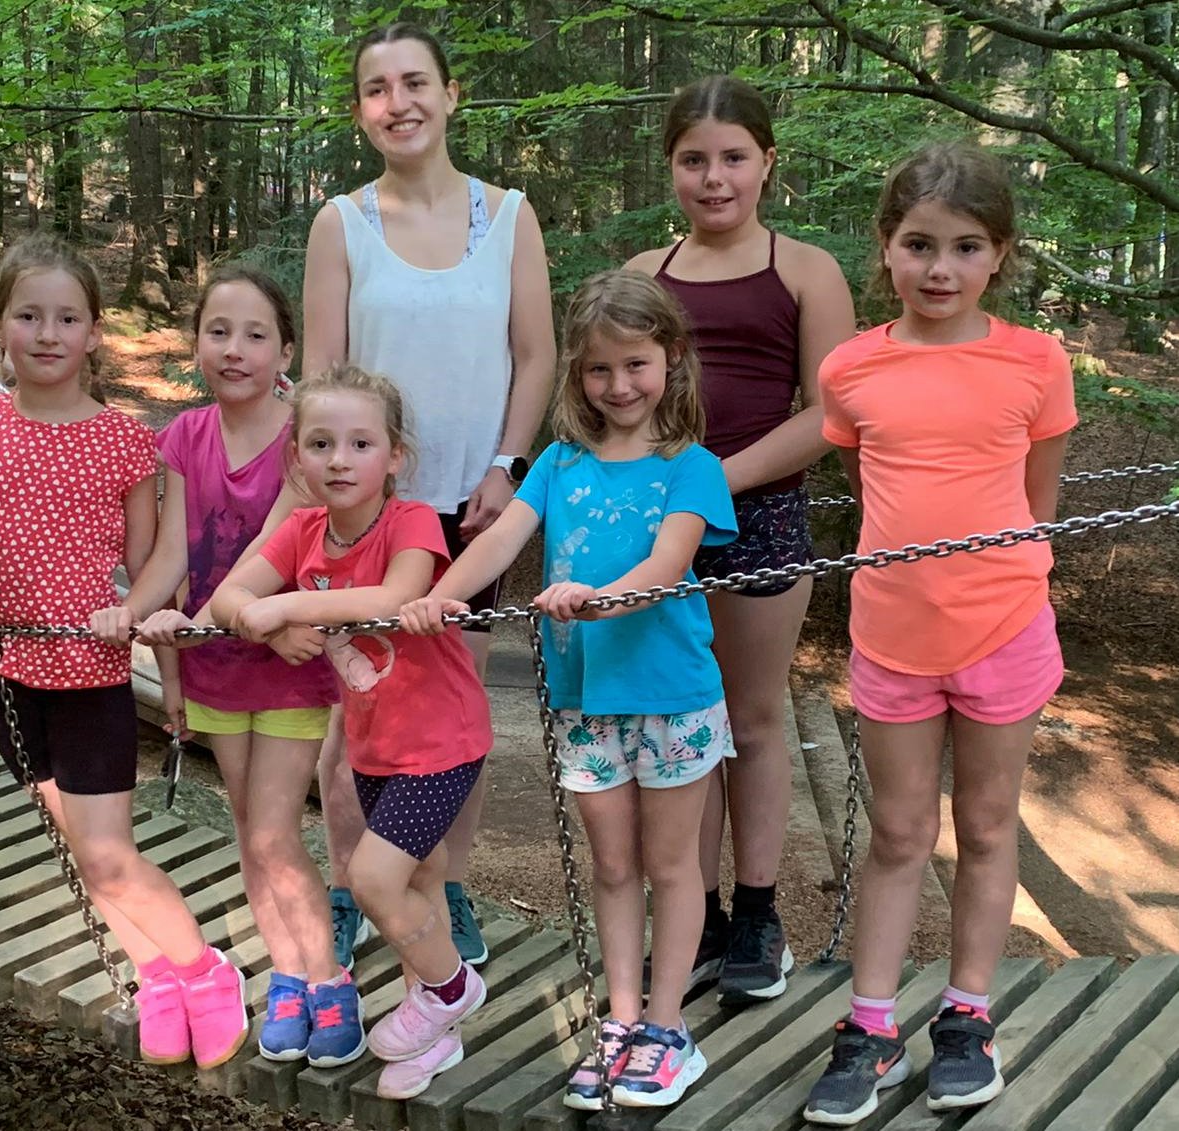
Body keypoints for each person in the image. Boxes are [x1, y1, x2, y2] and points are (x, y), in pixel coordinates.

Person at [0, 232, 249, 1071]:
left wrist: (133, 607)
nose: (47, 333)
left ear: (92, 333)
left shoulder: (121, 439)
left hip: (85, 670)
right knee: (75, 841)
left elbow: (158, 554)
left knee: (108, 852)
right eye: (29, 315)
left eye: (67, 317)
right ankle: (157, 975)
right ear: (0, 322)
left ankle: (205, 969)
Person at [402, 270, 736, 1109]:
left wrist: (595, 596)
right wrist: (447, 592)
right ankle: (621, 1022)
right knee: (612, 865)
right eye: (597, 370)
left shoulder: (689, 466)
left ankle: (668, 1028)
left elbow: (665, 567)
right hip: (584, 697)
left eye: (635, 364)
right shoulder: (557, 462)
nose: (617, 386)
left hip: (670, 694)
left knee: (670, 863)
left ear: (671, 360)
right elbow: (500, 538)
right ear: (576, 378)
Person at [802, 142, 1077, 1126]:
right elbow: (866, 488)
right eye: (918, 245)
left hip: (1004, 629)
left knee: (989, 824)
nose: (939, 269)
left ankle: (967, 1018)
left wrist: (997, 581)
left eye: (965, 247)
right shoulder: (851, 369)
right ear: (886, 248)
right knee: (900, 833)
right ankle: (868, 1028)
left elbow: (1036, 504)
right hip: (890, 635)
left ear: (997, 255)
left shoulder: (1036, 361)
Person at [301, 19, 556, 969]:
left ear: (452, 94)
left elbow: (535, 354)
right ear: (360, 110)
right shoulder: (343, 222)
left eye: (415, 82)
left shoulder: (508, 215)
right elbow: (319, 373)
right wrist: (322, 502)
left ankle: (444, 885)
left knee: (451, 723)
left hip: (469, 510)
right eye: (376, 88)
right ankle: (344, 884)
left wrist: (506, 464)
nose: (397, 102)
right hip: (362, 511)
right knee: (352, 714)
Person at [88, 264, 364, 1068]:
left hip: (285, 661)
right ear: (197, 345)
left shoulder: (302, 438)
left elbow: (269, 556)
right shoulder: (182, 438)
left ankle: (328, 981)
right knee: (250, 834)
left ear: (284, 348)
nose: (234, 349)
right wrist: (142, 617)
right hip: (216, 670)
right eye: (218, 332)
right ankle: (285, 975)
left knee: (278, 832)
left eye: (254, 334)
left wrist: (194, 625)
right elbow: (173, 549)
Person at [626, 74, 856, 1004]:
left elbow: (833, 411)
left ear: (767, 163)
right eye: (693, 160)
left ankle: (759, 910)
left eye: (732, 158)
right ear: (671, 168)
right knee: (682, 726)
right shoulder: (646, 275)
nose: (713, 178)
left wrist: (718, 478)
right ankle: (701, 915)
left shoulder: (803, 271)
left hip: (759, 518)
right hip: (652, 532)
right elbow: (614, 400)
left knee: (753, 721)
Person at [210, 364, 492, 1101]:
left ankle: (451, 987)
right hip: (375, 746)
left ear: (394, 457)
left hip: (442, 742)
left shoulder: (412, 521)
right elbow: (228, 597)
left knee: (371, 879)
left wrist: (289, 609)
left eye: (361, 443)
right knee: (419, 882)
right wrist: (269, 629)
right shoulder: (302, 531)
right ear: (296, 456)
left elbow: (399, 593)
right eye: (321, 442)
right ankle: (434, 1031)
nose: (340, 458)